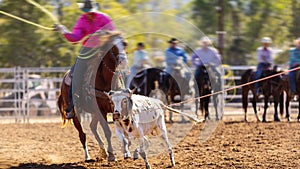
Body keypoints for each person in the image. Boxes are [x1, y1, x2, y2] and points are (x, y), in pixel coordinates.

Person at [54, 0, 115, 119]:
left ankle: (126, 100)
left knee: (119, 68)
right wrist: (64, 31)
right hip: (87, 50)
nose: (88, 14)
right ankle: (73, 105)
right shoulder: (82, 20)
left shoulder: (104, 18)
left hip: (104, 49)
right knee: (76, 74)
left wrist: (105, 32)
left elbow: (113, 32)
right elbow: (76, 37)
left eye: (90, 11)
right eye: (86, 12)